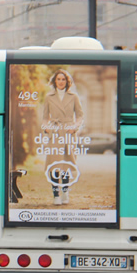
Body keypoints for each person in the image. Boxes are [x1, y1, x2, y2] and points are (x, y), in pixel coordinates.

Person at [41, 69, 84, 205]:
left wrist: (74, 127)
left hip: (68, 132)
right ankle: (56, 195)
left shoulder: (74, 96)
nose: (61, 82)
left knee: (66, 164)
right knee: (54, 165)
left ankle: (65, 192)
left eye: (63, 79)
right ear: (54, 81)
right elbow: (44, 118)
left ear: (67, 81)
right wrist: (46, 128)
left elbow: (80, 115)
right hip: (54, 133)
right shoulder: (49, 97)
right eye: (58, 79)